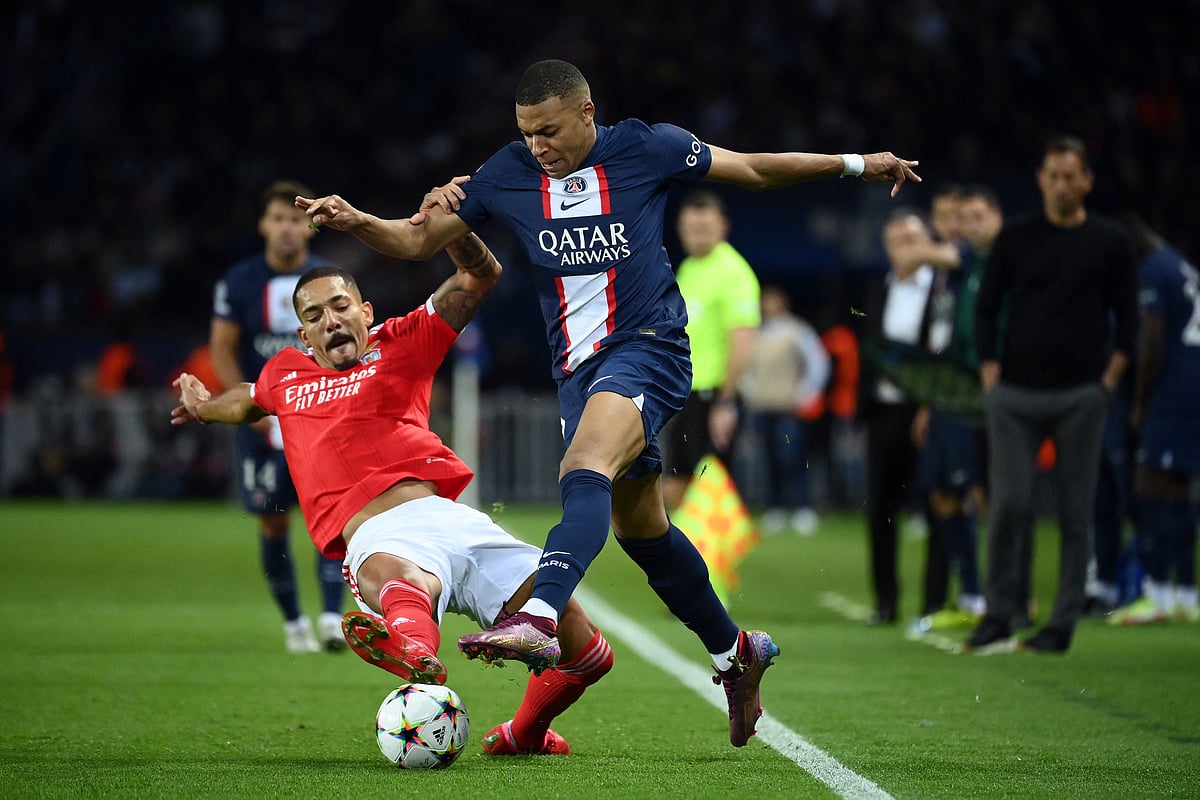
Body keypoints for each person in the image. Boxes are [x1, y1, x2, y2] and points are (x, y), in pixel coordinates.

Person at [296, 58, 920, 746]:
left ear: (587, 113)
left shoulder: (645, 148)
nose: (538, 146)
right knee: (640, 529)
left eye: (550, 131)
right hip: (579, 371)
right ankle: (735, 652)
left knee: (582, 467)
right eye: (528, 133)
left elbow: (755, 169)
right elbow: (417, 240)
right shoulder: (506, 173)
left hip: (649, 345)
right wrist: (357, 221)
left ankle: (538, 617)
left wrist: (859, 163)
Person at [173, 250, 614, 756]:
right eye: (313, 316)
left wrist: (455, 222)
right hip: (378, 533)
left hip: (451, 519)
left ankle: (523, 733)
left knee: (585, 651)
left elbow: (481, 275)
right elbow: (249, 397)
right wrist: (205, 407)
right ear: (303, 336)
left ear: (365, 313)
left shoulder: (403, 340)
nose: (330, 321)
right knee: (401, 577)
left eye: (340, 306)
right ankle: (416, 650)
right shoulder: (286, 375)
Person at [966, 135, 1138, 654]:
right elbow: (985, 309)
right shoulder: (1017, 238)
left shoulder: (1109, 242)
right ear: (1040, 178)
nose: (1062, 185)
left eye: (1071, 176)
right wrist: (991, 375)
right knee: (1010, 504)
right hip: (1014, 394)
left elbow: (1129, 321)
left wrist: (1106, 384)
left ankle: (1061, 624)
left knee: (1074, 509)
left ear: (1086, 180)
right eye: (1053, 175)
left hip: (1079, 396)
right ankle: (999, 612)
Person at [210, 179, 348, 654]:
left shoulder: (330, 282)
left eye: (294, 219)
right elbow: (223, 350)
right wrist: (247, 408)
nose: (286, 229)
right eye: (277, 219)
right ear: (263, 226)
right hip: (263, 420)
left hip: (320, 418)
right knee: (273, 521)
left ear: (310, 227)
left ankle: (332, 618)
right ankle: (294, 624)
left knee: (336, 518)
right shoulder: (239, 281)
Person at [909, 185, 1003, 634]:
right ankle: (970, 592)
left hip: (977, 392)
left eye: (969, 217)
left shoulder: (984, 264)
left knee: (981, 491)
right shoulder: (953, 274)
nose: (961, 226)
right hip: (947, 393)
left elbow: (928, 253)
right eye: (953, 218)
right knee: (942, 492)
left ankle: (1005, 592)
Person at [859, 208, 955, 625]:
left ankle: (934, 602)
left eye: (913, 239)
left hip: (923, 413)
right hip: (882, 411)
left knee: (935, 504)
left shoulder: (941, 289)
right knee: (880, 509)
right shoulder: (876, 289)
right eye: (897, 241)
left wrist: (929, 405)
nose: (905, 248)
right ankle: (886, 602)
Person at [1108, 214, 1200, 625]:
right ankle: (1186, 593)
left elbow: (1152, 339)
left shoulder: (1151, 270)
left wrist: (1141, 401)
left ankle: (1158, 591)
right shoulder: (1180, 263)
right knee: (1180, 488)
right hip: (1192, 386)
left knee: (1151, 487)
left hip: (1170, 391)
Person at [661, 189, 760, 512]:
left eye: (705, 228)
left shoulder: (734, 273)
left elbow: (743, 342)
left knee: (710, 489)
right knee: (677, 481)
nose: (697, 235)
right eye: (691, 229)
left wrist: (727, 403)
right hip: (687, 395)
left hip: (713, 396)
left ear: (724, 226)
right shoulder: (688, 268)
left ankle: (711, 560)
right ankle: (684, 556)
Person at [740, 285, 829, 534]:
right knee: (769, 458)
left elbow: (818, 364)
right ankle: (775, 507)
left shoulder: (798, 331)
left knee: (794, 456)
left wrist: (805, 394)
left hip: (788, 406)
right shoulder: (757, 333)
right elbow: (745, 366)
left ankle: (803, 507)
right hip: (762, 405)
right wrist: (749, 390)